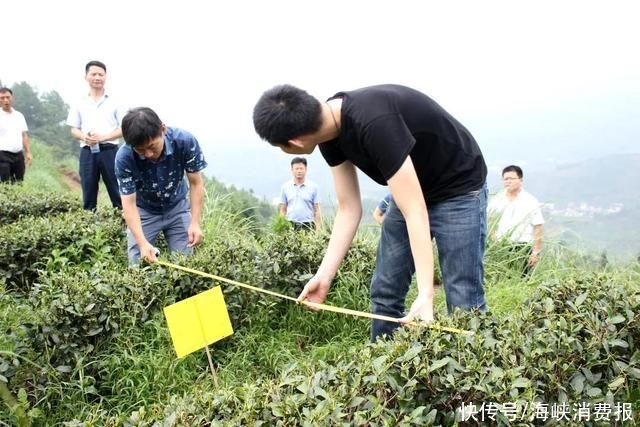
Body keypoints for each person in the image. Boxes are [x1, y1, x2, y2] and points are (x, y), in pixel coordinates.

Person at [253, 84, 488, 341]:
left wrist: (425, 293)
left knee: (463, 297)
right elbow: (348, 208)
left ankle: (472, 370)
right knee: (385, 291)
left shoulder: (375, 122)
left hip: (458, 188)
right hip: (410, 191)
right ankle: (384, 375)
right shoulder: (328, 133)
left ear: (294, 142)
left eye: (280, 147)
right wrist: (324, 276)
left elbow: (415, 211)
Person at [115, 107, 207, 265]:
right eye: (141, 150)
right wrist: (142, 244)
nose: (148, 154)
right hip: (144, 212)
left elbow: (196, 183)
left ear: (163, 129)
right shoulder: (124, 158)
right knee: (138, 264)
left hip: (177, 208)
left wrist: (195, 223)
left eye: (151, 146)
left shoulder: (184, 142)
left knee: (185, 265)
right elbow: (128, 204)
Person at [66, 60, 124, 210]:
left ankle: (123, 227)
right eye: (94, 74)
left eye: (101, 74)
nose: (97, 77)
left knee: (117, 191)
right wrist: (85, 137)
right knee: (88, 192)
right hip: (87, 151)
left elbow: (124, 128)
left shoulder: (116, 101)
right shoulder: (79, 102)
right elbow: (73, 129)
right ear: (86, 76)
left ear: (106, 77)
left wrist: (103, 137)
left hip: (110, 151)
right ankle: (89, 228)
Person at [488, 165, 544, 274]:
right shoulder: (497, 199)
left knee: (523, 279)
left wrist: (535, 252)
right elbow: (489, 218)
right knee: (501, 278)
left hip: (523, 247)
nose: (508, 182)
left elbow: (538, 227)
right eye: (505, 179)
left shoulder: (530, 200)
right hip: (501, 246)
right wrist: (492, 236)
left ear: (521, 180)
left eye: (511, 179)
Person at [279, 157, 322, 231]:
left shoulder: (314, 187)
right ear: (292, 170)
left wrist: (318, 229)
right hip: (290, 224)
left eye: (301, 168)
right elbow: (283, 209)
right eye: (296, 168)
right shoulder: (285, 187)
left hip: (308, 225)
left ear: (306, 170)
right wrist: (280, 227)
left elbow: (317, 209)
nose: (299, 171)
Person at [0, 88, 32, 183]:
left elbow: (24, 135)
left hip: (18, 155)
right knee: (4, 183)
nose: (6, 100)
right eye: (2, 98)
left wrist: (28, 152)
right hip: (2, 155)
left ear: (12, 98)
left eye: (8, 97)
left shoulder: (19, 116)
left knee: (19, 182)